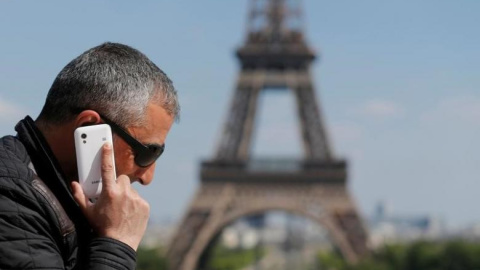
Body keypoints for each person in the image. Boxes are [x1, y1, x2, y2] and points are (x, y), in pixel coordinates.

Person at [0, 42, 180, 269]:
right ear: (88, 127)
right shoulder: (10, 198)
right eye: (148, 152)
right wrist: (117, 243)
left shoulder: (42, 193)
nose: (147, 177)